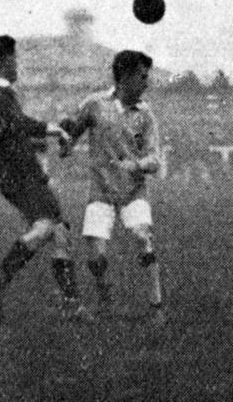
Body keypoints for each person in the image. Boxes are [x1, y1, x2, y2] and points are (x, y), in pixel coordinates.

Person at [0, 35, 85, 318]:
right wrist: (54, 129)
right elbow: (16, 125)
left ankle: (71, 305)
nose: (17, 65)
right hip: (20, 173)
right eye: (14, 59)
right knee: (47, 225)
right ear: (2, 61)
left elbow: (7, 134)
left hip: (20, 170)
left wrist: (41, 138)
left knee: (60, 232)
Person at [59, 50, 166, 324]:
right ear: (126, 77)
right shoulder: (95, 104)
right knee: (97, 257)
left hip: (133, 193)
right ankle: (105, 297)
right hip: (101, 192)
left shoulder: (146, 114)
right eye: (142, 77)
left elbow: (154, 159)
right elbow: (72, 133)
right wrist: (66, 142)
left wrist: (138, 165)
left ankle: (156, 308)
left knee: (144, 238)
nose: (146, 82)